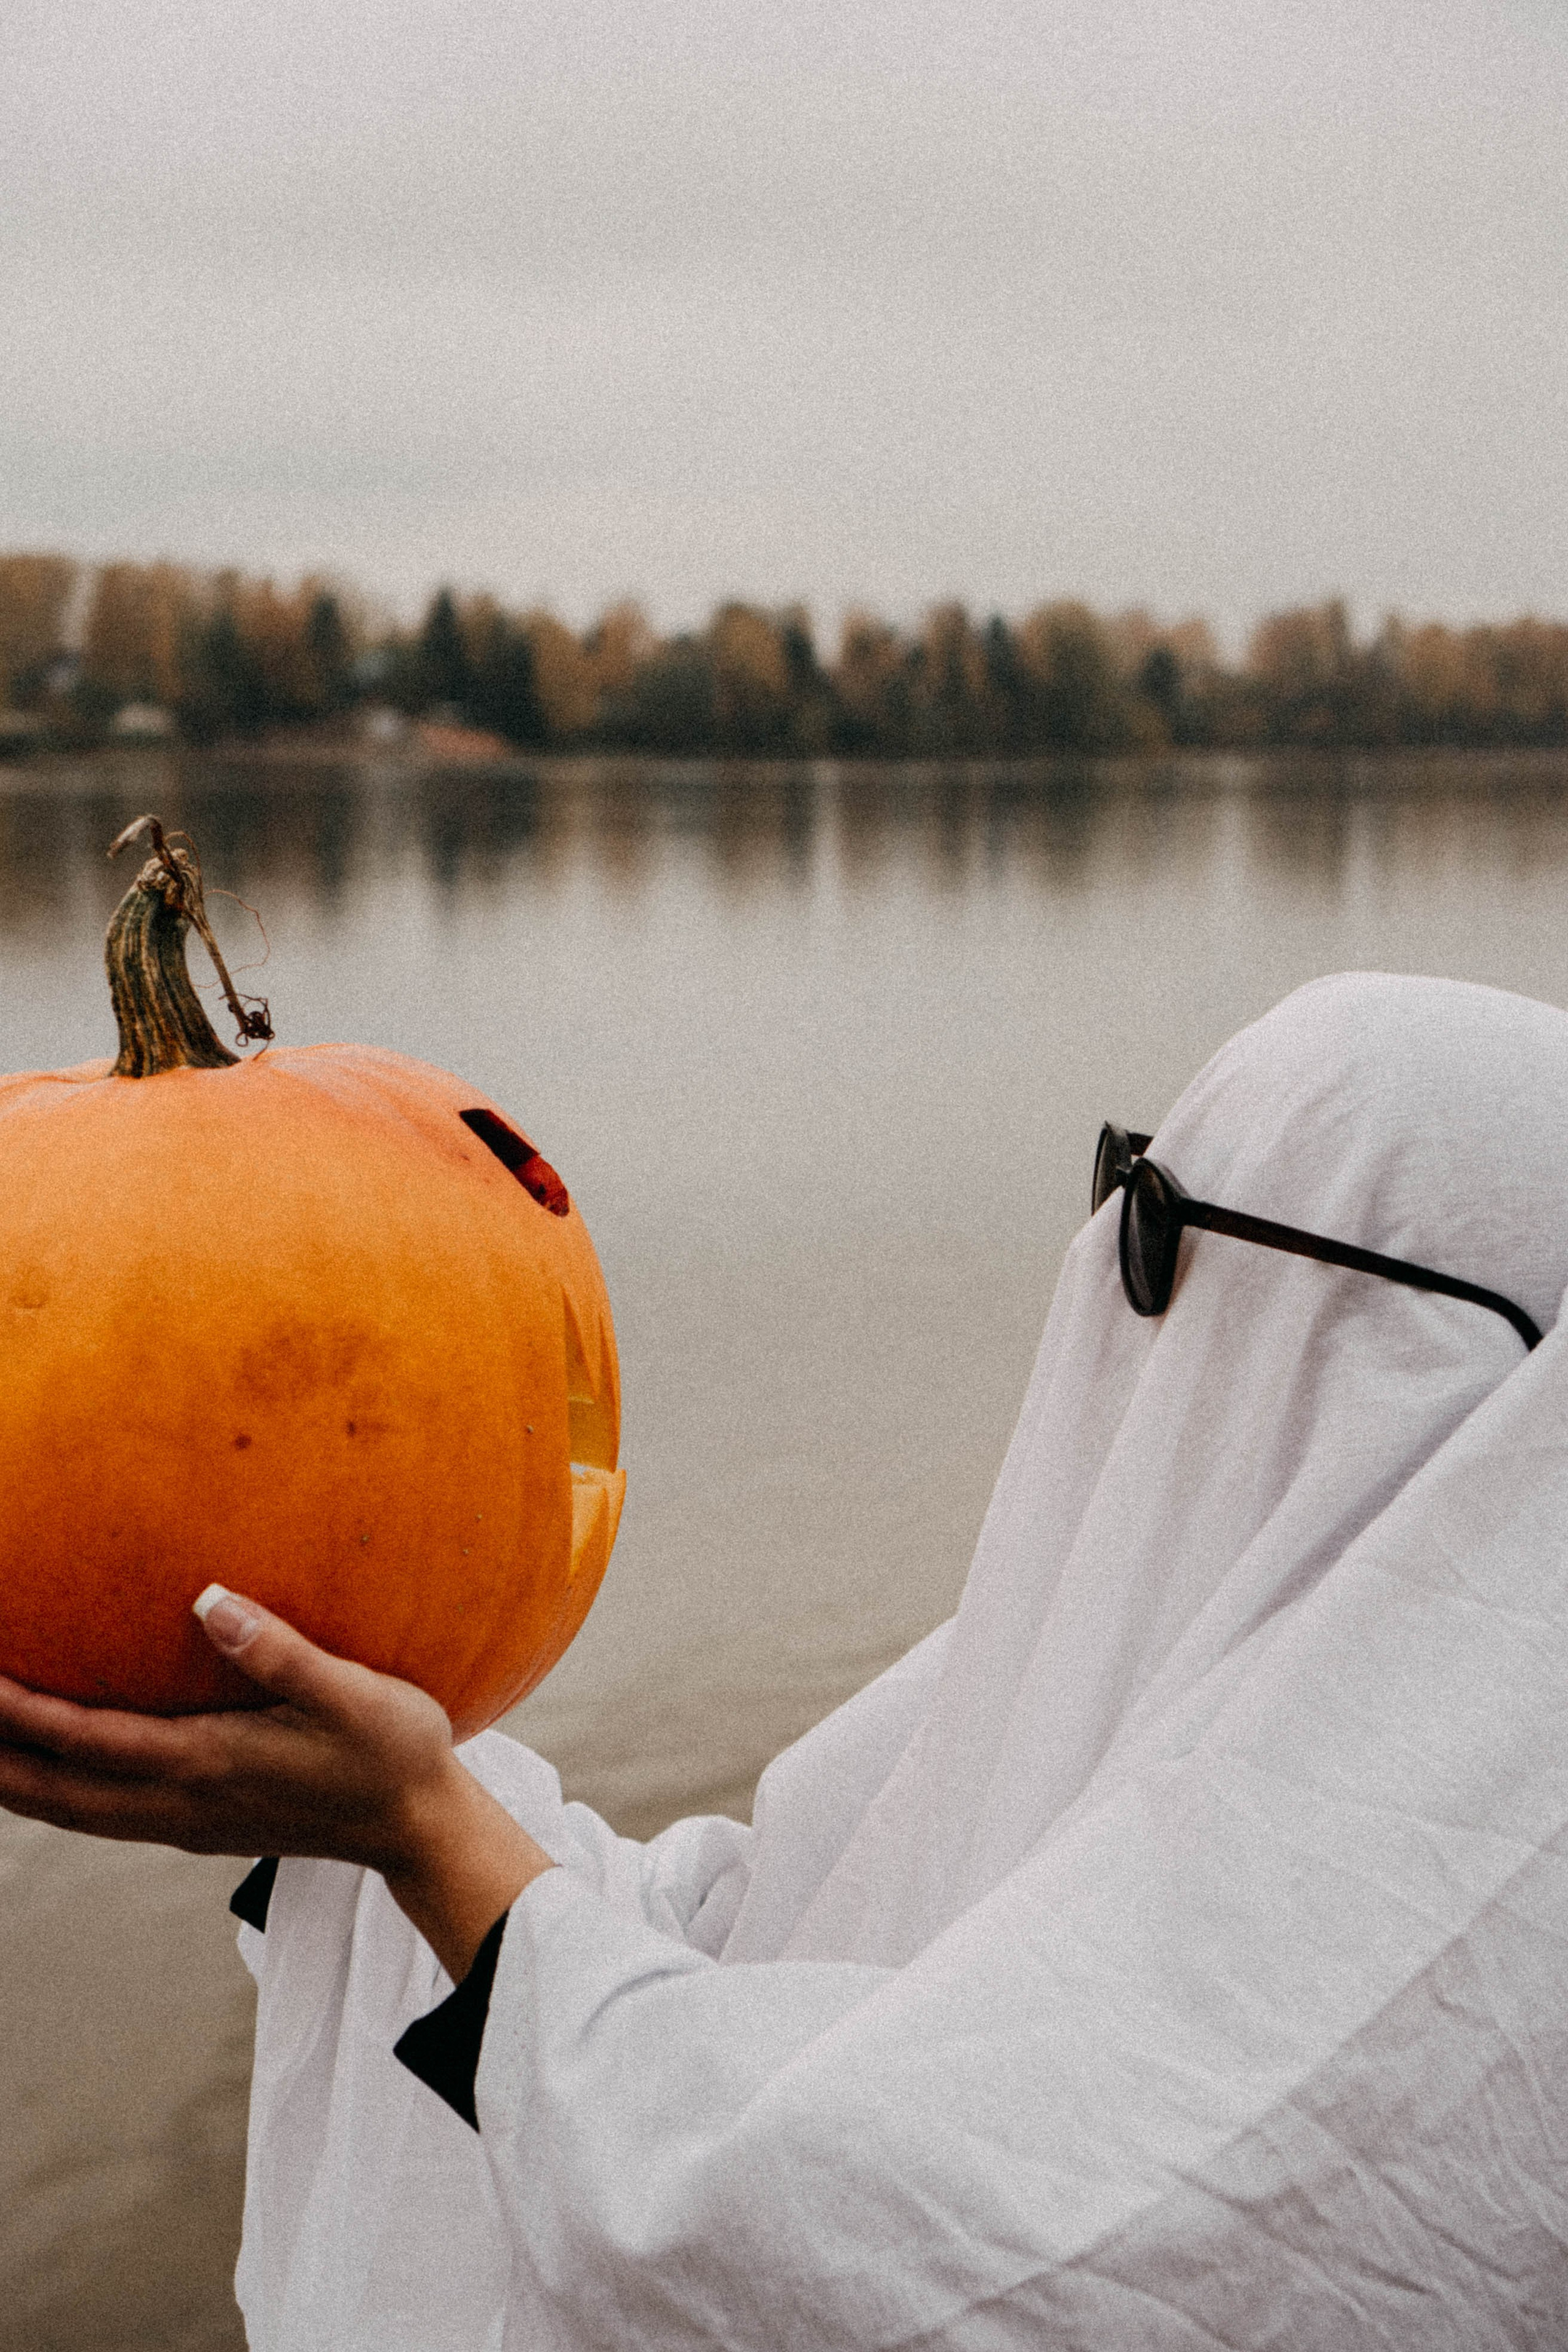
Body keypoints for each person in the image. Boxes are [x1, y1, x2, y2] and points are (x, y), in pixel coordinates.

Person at [3, 970, 1568, 2350]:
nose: (1111, 1280)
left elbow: (878, 2257)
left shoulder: (1434, 1965)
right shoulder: (1182, 1660)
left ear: (1439, 1370)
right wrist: (385, 1781)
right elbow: (772, 1948)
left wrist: (422, 1825)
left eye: (1161, 1233)